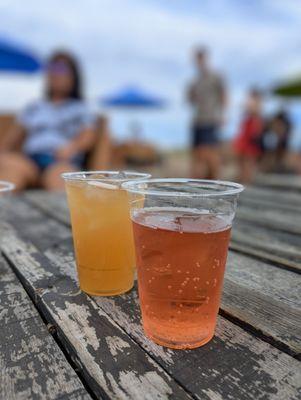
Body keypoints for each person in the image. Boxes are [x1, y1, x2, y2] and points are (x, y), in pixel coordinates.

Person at [0, 51, 97, 191]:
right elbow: (12, 139)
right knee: (12, 172)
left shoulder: (81, 108)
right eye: (51, 68)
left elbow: (88, 136)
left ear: (74, 75)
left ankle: (61, 210)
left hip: (60, 161)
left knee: (60, 177)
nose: (55, 73)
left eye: (61, 68)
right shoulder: (34, 107)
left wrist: (71, 147)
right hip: (30, 161)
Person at [187, 47, 227, 179]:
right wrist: (190, 95)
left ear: (205, 58)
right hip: (197, 120)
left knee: (210, 154)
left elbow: (223, 96)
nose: (198, 62)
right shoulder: (195, 81)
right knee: (197, 155)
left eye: (200, 58)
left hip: (210, 119)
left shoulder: (216, 77)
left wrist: (222, 115)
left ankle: (216, 183)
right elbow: (191, 101)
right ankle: (202, 184)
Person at [233, 89, 264, 184]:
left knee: (249, 158)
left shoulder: (257, 105)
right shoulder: (253, 105)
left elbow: (256, 117)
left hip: (251, 131)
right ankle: (243, 179)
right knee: (242, 158)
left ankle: (247, 180)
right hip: (247, 130)